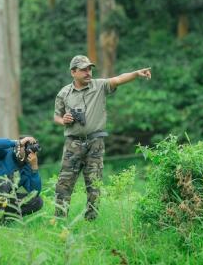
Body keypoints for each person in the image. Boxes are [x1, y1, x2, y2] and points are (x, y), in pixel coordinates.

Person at [53, 55, 151, 220]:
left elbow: (118, 79)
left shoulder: (99, 86)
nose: (88, 72)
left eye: (90, 68)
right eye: (83, 69)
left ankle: (91, 222)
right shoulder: (64, 93)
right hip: (73, 143)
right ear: (73, 72)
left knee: (94, 185)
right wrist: (63, 120)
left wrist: (136, 73)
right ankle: (59, 221)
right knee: (64, 184)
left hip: (95, 142)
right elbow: (56, 116)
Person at [0, 137, 43, 219]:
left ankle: (5, 221)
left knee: (37, 201)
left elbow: (34, 193)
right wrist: (17, 142)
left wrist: (34, 167)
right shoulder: (5, 153)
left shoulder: (27, 169)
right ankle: (0, 220)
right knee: (3, 182)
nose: (29, 151)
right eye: (26, 146)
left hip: (4, 202)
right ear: (19, 146)